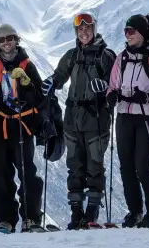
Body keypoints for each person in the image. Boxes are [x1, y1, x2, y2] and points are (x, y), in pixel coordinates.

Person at [41, 12, 116, 229]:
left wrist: (105, 87)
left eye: (88, 28)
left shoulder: (106, 56)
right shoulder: (72, 55)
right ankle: (76, 212)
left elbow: (115, 83)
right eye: (80, 29)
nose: (84, 32)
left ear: (94, 29)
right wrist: (52, 83)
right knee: (74, 166)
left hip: (96, 117)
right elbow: (60, 75)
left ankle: (91, 211)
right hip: (73, 117)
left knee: (95, 165)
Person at [0, 23, 44, 233]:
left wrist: (26, 84)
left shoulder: (27, 66)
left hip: (22, 124)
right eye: (2, 40)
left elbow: (39, 98)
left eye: (9, 38)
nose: (6, 43)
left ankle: (30, 218)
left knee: (26, 172)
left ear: (16, 40)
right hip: (2, 124)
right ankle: (5, 220)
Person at [105, 14, 149, 228]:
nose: (128, 35)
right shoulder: (122, 57)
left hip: (147, 117)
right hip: (125, 115)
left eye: (131, 31)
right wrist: (111, 95)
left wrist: (147, 97)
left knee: (142, 166)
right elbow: (112, 84)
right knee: (126, 166)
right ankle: (135, 212)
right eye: (126, 31)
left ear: (142, 33)